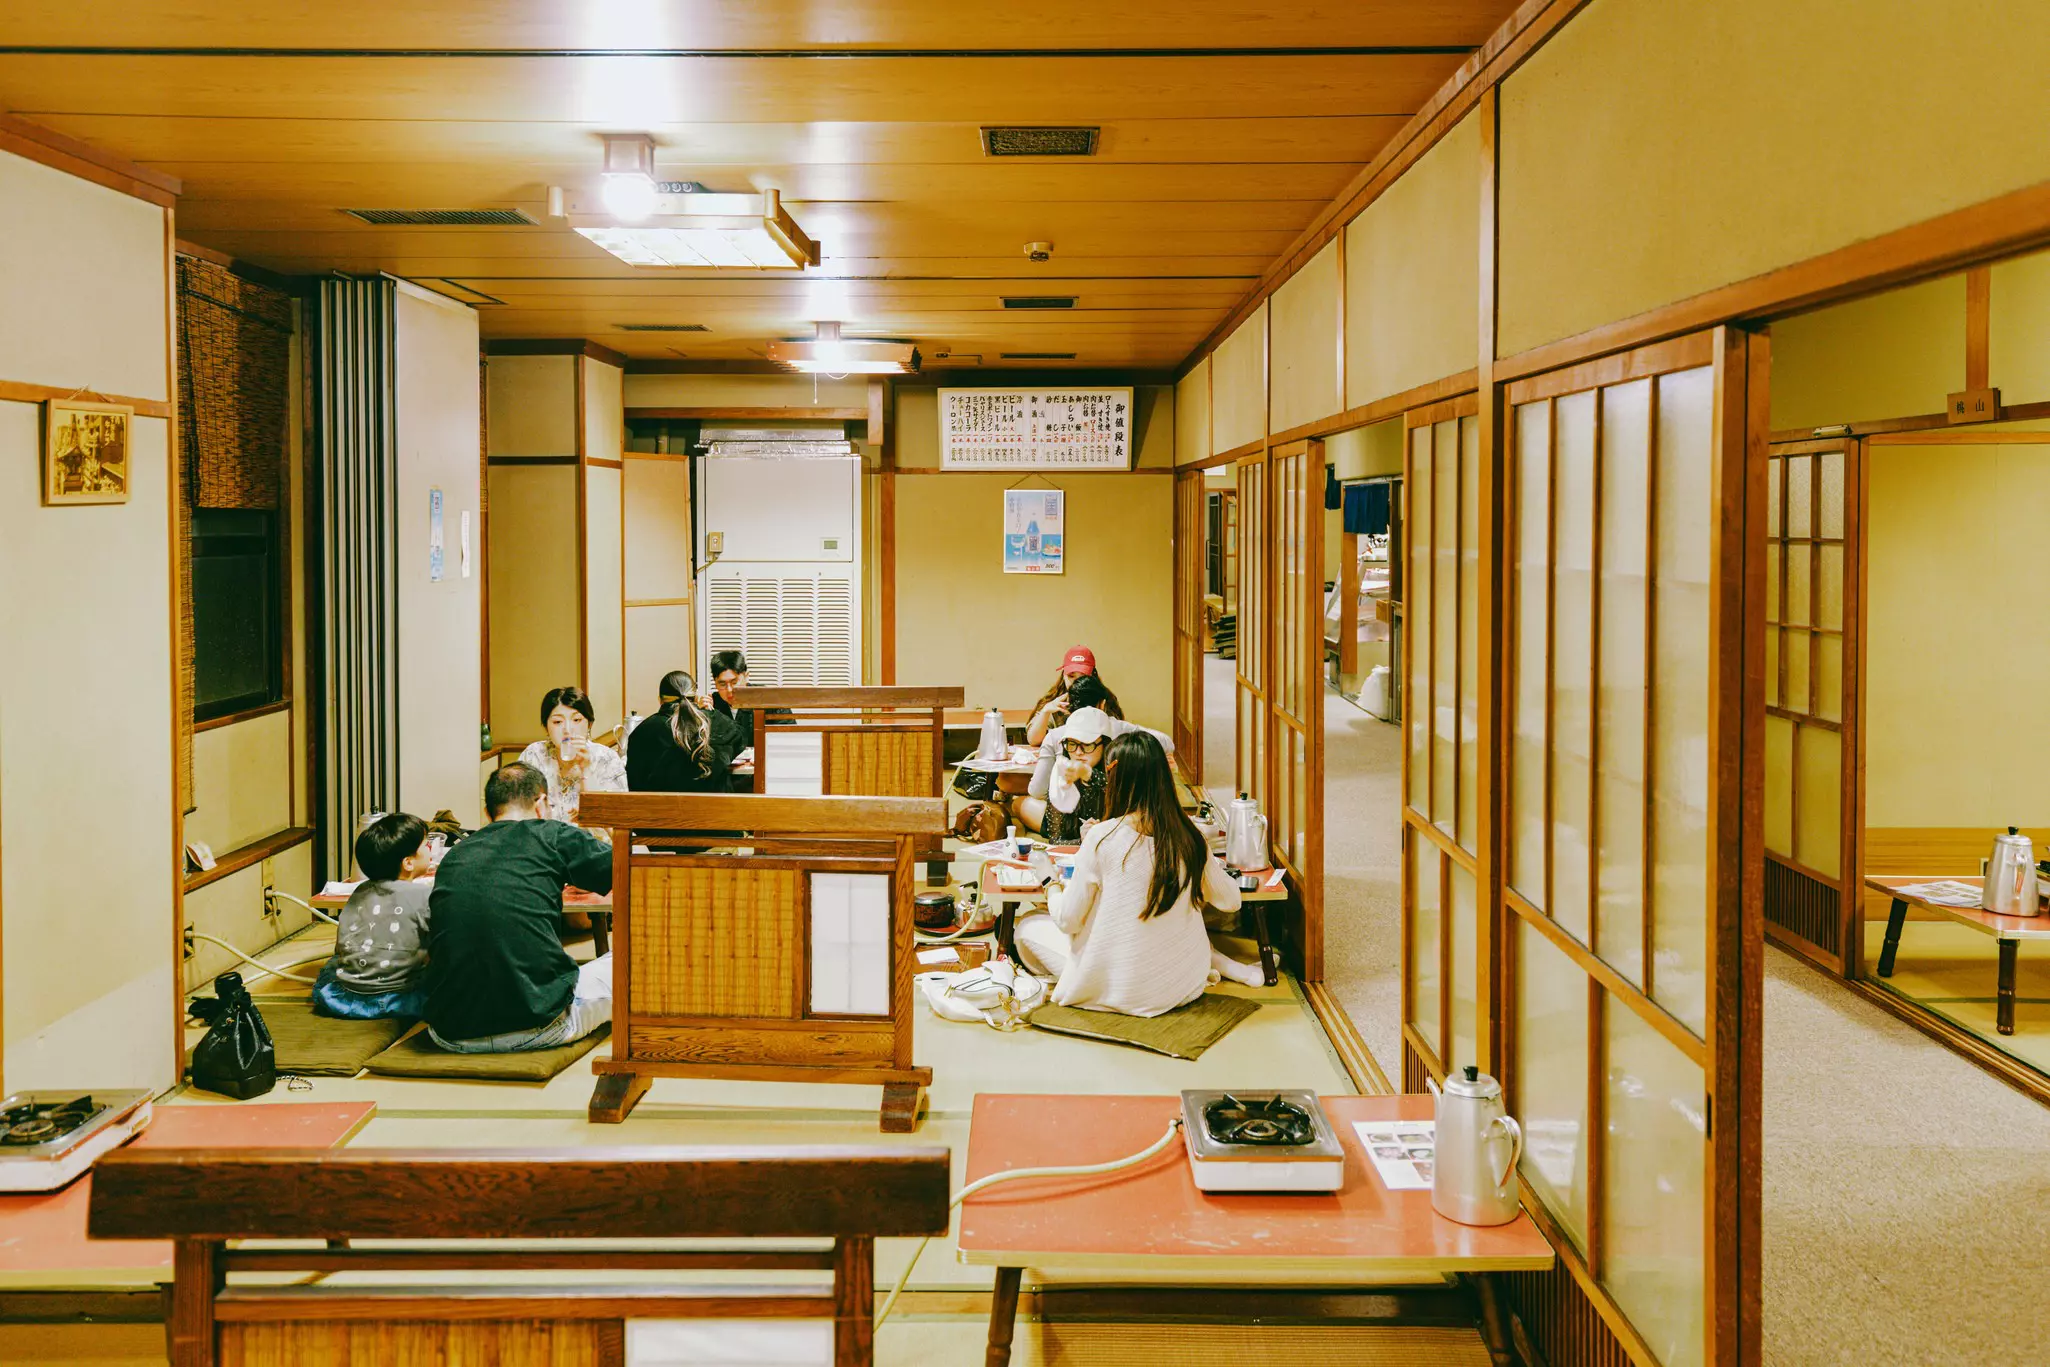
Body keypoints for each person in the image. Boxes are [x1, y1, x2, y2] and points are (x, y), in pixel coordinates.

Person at [1012, 731, 1243, 1016]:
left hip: (1120, 987)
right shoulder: (1191, 836)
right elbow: (1231, 902)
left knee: (1025, 929)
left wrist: (1049, 881)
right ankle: (1220, 965)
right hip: (1181, 984)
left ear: (1116, 780)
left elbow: (1068, 921)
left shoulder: (1102, 837)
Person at [422, 763, 616, 1053]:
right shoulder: (552, 833)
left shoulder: (457, 853)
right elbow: (624, 870)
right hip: (540, 1024)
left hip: (449, 1032)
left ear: (488, 813)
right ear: (541, 803)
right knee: (632, 961)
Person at [311, 812, 432, 1021]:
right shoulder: (424, 896)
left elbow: (340, 947)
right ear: (408, 863)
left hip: (344, 999)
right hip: (401, 999)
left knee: (331, 965)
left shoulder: (358, 891)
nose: (430, 849)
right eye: (425, 845)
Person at [1012, 705, 1174, 842]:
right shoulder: (1062, 771)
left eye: (1087, 745)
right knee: (1018, 804)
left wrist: (1089, 775)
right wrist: (1083, 840)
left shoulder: (1118, 763)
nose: (1079, 752)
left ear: (1104, 743)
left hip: (1117, 836)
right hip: (1076, 835)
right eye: (1072, 744)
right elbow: (1057, 839)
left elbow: (1134, 804)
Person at [517, 685, 626, 827]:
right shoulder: (533, 755)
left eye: (576, 720)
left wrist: (586, 771)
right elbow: (517, 814)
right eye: (557, 722)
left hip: (595, 846)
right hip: (546, 845)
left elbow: (619, 828)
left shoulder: (607, 759)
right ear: (546, 727)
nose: (567, 730)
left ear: (589, 724)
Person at [627, 669, 746, 793]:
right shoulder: (716, 722)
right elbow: (741, 738)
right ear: (695, 697)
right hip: (712, 809)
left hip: (660, 810)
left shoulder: (643, 730)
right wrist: (710, 712)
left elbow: (634, 781)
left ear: (660, 700)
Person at [1025, 645, 1124, 746]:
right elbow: (1033, 741)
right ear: (1063, 675)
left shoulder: (1104, 699)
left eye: (1083, 676)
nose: (1076, 681)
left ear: (1093, 675)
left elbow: (1119, 740)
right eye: (1071, 676)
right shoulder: (1054, 701)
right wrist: (1045, 712)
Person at [707, 649, 755, 738]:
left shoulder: (768, 698)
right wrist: (704, 714)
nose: (729, 690)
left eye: (734, 682)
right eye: (722, 684)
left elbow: (786, 737)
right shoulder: (712, 704)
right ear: (715, 682)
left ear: (746, 677)